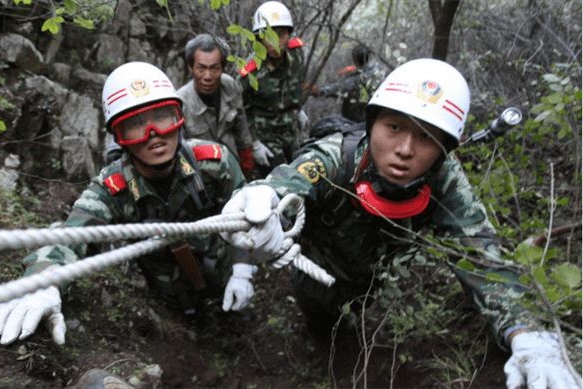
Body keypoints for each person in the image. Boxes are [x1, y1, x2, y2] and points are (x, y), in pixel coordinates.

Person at [221, 58, 580, 388]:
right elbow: (291, 182)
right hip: (316, 273)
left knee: (355, 322)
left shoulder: (445, 182)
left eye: (426, 136)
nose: (406, 149)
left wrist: (524, 332)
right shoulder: (337, 157)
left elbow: (483, 258)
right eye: (394, 127)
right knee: (319, 321)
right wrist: (265, 198)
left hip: (373, 282)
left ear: (444, 148)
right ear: (372, 123)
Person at [0, 61, 258, 346]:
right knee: (186, 319)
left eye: (162, 117)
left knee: (235, 310)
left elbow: (246, 215)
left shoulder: (214, 162)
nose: (154, 135)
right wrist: (42, 283)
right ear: (119, 138)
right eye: (135, 125)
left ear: (179, 118)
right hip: (168, 283)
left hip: (221, 264)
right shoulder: (111, 188)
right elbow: (71, 236)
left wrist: (243, 270)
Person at [238, 0, 308, 177]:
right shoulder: (250, 71)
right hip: (265, 137)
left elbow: (297, 85)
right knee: (280, 181)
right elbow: (241, 111)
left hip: (291, 131)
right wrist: (254, 144)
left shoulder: (297, 55)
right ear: (259, 38)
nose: (275, 42)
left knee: (303, 172)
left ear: (288, 35)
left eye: (281, 35)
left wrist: (299, 109)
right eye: (269, 36)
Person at [177, 33, 256, 178]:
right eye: (201, 68)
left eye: (214, 68)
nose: (207, 76)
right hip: (202, 177)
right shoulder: (181, 103)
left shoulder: (230, 86)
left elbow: (242, 134)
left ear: (223, 68)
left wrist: (247, 171)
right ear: (191, 68)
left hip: (234, 171)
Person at [307, 44, 384, 123]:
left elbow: (337, 88)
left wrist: (320, 91)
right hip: (376, 117)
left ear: (355, 60)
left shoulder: (355, 79)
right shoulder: (379, 71)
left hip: (358, 120)